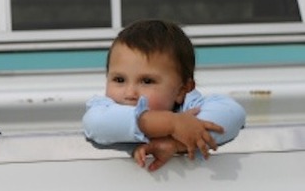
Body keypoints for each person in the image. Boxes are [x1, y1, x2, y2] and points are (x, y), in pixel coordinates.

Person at [83, 19, 245, 171]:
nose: (130, 93)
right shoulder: (104, 108)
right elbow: (95, 123)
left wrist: (174, 144)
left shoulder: (188, 108)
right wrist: (171, 124)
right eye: (119, 79)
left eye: (147, 81)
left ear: (182, 90)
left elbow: (233, 113)